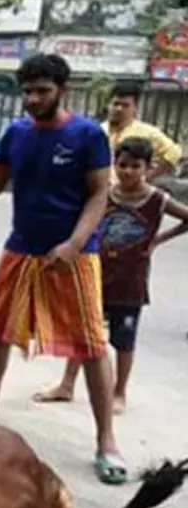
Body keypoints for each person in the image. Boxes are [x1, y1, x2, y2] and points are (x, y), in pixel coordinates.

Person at [0, 53, 128, 484]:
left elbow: (99, 196)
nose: (32, 99)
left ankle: (106, 440)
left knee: (92, 345)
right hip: (20, 250)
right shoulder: (16, 133)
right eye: (27, 91)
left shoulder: (88, 135)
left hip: (74, 256)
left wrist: (75, 244)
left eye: (42, 91)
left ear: (63, 89)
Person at [32, 137, 188, 420]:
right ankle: (67, 385)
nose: (127, 171)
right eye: (122, 165)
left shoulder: (156, 200)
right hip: (96, 274)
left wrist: (157, 240)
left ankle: (119, 392)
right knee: (84, 332)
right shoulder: (103, 196)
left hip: (131, 282)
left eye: (135, 166)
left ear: (148, 168)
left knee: (124, 340)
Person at [102, 82, 182, 182]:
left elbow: (174, 152)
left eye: (125, 105)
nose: (119, 109)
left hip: (132, 192)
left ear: (135, 108)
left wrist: (149, 175)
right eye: (115, 104)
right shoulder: (98, 130)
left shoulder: (146, 132)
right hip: (101, 190)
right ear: (108, 105)